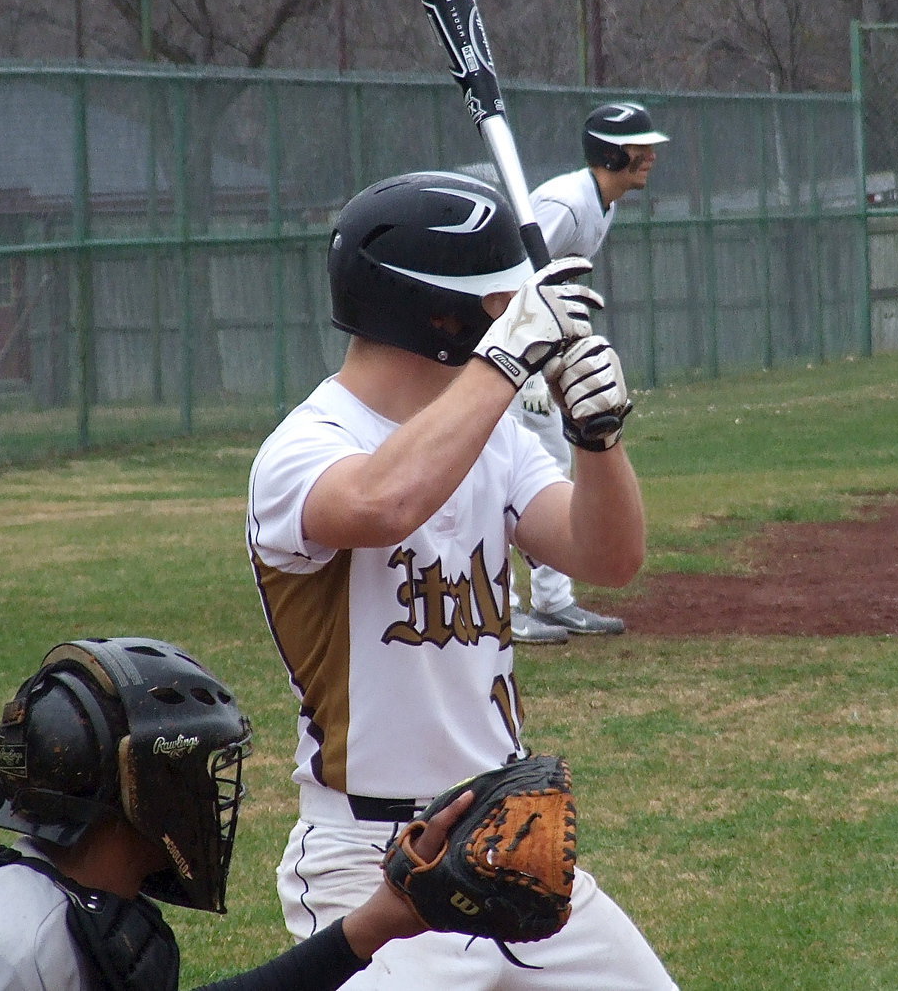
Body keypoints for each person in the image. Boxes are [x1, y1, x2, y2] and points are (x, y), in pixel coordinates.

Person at [247, 171, 678, 988]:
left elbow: (608, 557)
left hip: (513, 838)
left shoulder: (498, 438)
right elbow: (382, 501)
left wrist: (599, 440)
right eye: (495, 304)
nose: (511, 318)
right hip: (370, 866)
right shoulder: (304, 447)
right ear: (437, 319)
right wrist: (506, 362)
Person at [0, 636, 472, 991]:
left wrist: (381, 921)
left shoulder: (68, 912)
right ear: (144, 790)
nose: (212, 800)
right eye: (200, 776)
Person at [509, 101, 670, 644]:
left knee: (553, 465)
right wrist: (522, 368)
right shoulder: (566, 203)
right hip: (510, 353)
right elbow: (507, 276)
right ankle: (501, 607)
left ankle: (553, 601)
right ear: (609, 151)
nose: (649, 155)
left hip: (541, 353)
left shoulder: (600, 201)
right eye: (638, 145)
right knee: (518, 472)